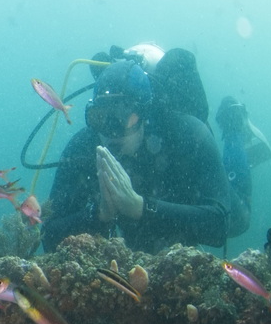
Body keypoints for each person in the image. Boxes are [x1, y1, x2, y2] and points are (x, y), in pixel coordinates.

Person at [40, 52, 251, 253]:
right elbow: (47, 236)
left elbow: (221, 224)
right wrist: (99, 213)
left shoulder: (186, 135)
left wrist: (141, 207)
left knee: (241, 218)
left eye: (123, 116)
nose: (111, 131)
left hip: (190, 214)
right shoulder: (82, 148)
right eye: (100, 117)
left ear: (144, 115)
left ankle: (234, 129)